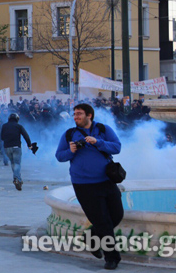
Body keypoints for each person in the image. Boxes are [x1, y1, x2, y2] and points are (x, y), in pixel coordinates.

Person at [55, 103, 123, 270]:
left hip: (106, 180)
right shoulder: (69, 134)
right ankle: (111, 258)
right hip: (84, 184)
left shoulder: (103, 130)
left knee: (117, 215)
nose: (75, 117)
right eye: (75, 114)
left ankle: (91, 237)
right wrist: (70, 151)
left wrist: (98, 142)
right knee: (103, 222)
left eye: (79, 114)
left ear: (89, 115)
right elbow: (59, 156)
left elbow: (117, 147)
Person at [0, 113, 33, 191]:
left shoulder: (4, 126)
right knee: (17, 163)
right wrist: (29, 145)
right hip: (16, 147)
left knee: (13, 163)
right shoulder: (19, 126)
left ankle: (18, 179)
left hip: (7, 148)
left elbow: (2, 137)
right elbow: (26, 135)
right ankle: (17, 179)